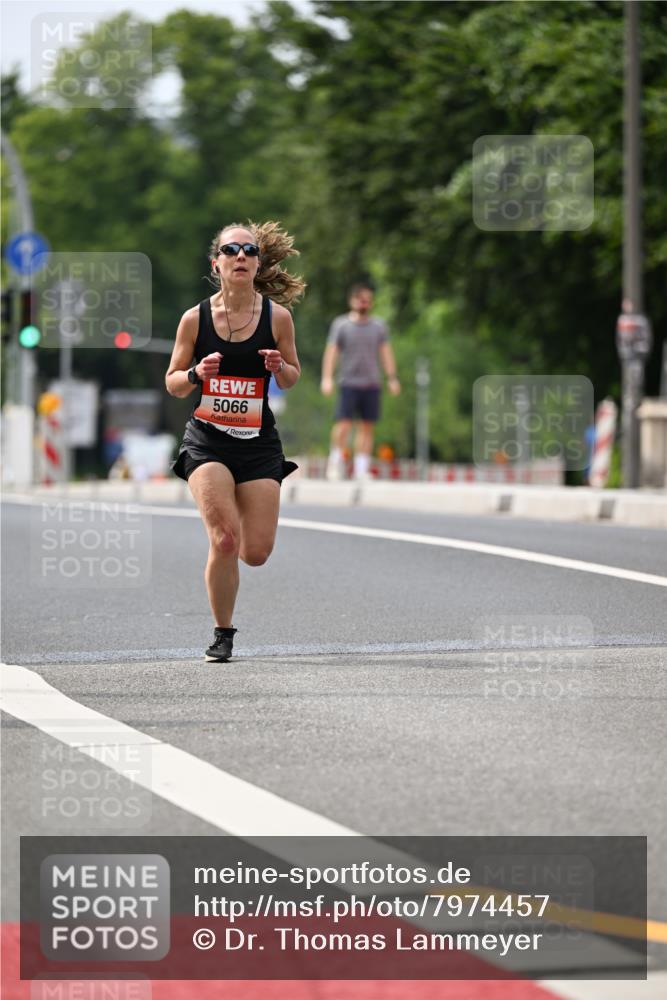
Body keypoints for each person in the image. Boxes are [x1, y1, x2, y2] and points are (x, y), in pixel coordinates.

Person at [166, 221, 304, 662]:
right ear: (217, 264)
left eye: (249, 250)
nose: (240, 256)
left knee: (255, 552)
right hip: (208, 441)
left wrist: (279, 367)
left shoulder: (277, 318)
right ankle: (222, 632)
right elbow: (173, 382)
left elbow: (293, 376)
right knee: (224, 540)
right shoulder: (195, 319)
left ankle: (236, 533)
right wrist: (195, 374)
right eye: (231, 250)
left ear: (258, 264)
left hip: (258, 443)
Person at [320, 283, 400, 481]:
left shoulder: (379, 327)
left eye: (367, 301)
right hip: (348, 382)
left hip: (371, 382)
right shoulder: (341, 325)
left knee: (367, 426)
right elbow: (332, 352)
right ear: (352, 301)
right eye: (361, 300)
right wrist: (327, 378)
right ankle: (336, 461)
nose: (364, 304)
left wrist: (392, 377)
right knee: (343, 425)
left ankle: (361, 467)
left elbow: (386, 352)